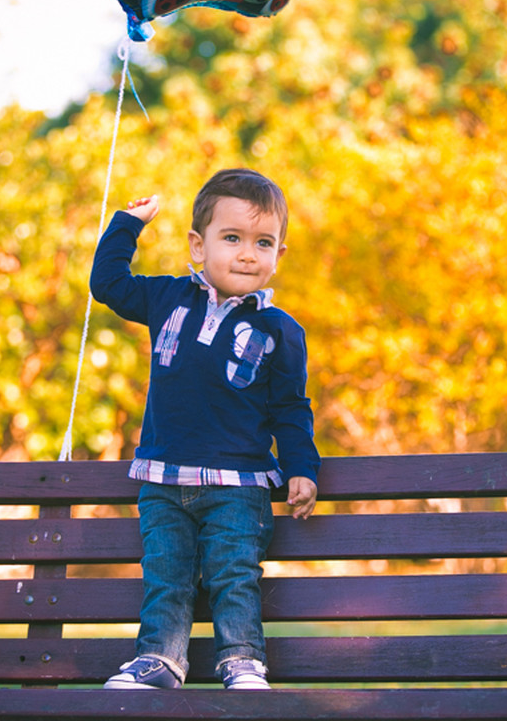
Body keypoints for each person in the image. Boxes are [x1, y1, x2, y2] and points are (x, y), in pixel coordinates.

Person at [90, 168, 321, 691]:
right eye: (232, 238)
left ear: (279, 255)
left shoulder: (281, 331)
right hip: (164, 479)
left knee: (232, 575)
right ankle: (160, 661)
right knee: (166, 573)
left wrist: (302, 468)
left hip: (238, 487)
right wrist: (127, 222)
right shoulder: (168, 299)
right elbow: (106, 285)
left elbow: (291, 406)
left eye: (263, 243)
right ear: (198, 246)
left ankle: (242, 661)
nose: (247, 254)